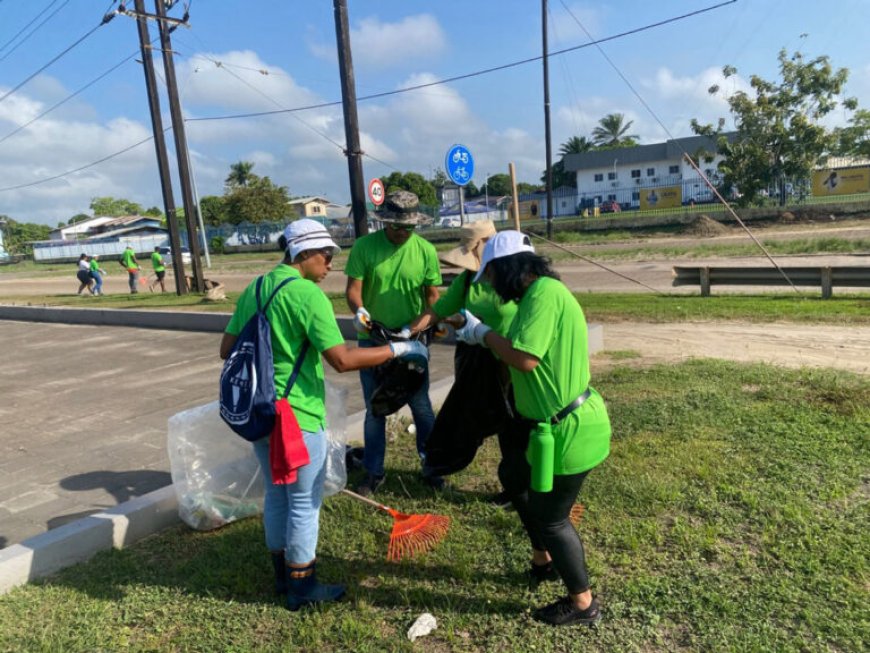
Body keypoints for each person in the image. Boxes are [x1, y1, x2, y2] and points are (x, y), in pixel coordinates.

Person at [220, 219, 428, 611]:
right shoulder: (307, 295)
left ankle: (282, 577)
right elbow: (342, 359)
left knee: (277, 495)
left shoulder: (256, 287)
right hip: (296, 417)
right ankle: (303, 586)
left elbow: (227, 347)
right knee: (304, 502)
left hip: (260, 413)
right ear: (303, 254)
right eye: (326, 255)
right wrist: (399, 351)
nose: (331, 264)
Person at [455, 230, 611, 627]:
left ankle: (583, 604)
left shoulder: (543, 295)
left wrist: (482, 334)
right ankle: (543, 559)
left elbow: (524, 358)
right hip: (549, 427)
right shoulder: (536, 296)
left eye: (490, 277)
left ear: (507, 269)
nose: (490, 287)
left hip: (570, 429)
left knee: (552, 517)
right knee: (512, 474)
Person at [407, 220, 518, 506]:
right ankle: (441, 464)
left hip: (512, 363)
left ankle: (517, 491)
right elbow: (438, 311)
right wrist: (406, 335)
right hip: (478, 365)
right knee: (470, 420)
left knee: (514, 428)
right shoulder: (468, 280)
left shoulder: (514, 277)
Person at [345, 190, 443, 496]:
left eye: (409, 227)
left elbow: (432, 298)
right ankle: (374, 472)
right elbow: (353, 290)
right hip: (372, 339)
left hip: (411, 339)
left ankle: (432, 467)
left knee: (421, 406)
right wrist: (360, 311)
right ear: (385, 223)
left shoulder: (425, 250)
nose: (403, 233)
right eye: (398, 227)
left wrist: (425, 325)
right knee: (375, 409)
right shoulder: (364, 247)